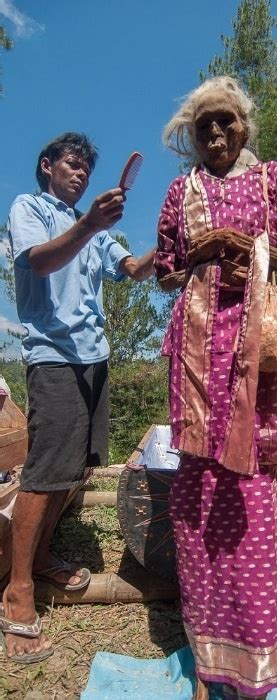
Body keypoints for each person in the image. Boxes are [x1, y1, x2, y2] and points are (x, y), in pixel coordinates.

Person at [154, 77, 277, 700]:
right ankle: (211, 664)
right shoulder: (180, 191)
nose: (214, 135)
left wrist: (252, 249)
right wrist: (200, 253)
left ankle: (256, 668)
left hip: (256, 354)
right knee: (200, 490)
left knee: (252, 488)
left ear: (244, 125)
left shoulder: (271, 179)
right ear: (191, 136)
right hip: (195, 353)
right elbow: (163, 270)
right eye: (203, 127)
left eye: (225, 123)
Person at [1, 132, 155, 664]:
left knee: (76, 471)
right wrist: (88, 222)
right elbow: (39, 262)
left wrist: (174, 238)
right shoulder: (31, 208)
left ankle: (41, 558)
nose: (81, 174)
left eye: (87, 169)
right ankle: (17, 590)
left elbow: (133, 271)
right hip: (54, 358)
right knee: (43, 474)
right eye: (71, 165)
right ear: (47, 166)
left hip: (96, 360)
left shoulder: (100, 231)